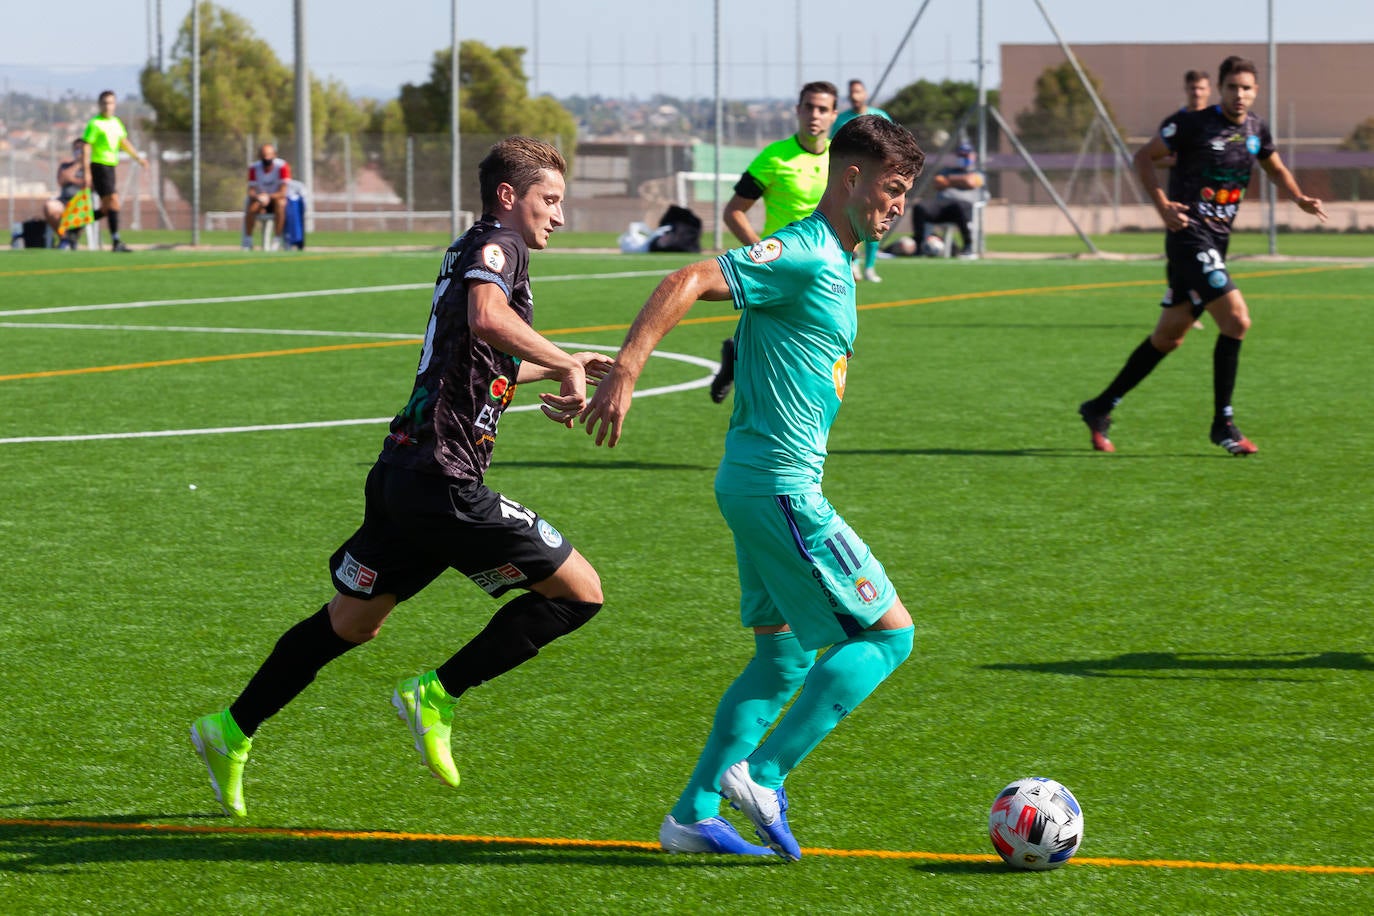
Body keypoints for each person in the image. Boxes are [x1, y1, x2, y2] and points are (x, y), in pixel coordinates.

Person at [190, 137, 612, 818]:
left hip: (404, 475)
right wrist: (561, 358)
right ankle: (436, 694)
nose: (559, 216)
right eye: (551, 199)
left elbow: (476, 356)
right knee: (580, 593)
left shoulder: (478, 248)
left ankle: (229, 730)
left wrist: (557, 366)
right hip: (444, 480)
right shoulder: (499, 246)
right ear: (510, 195)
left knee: (352, 622)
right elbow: (486, 316)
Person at [582, 116, 924, 860]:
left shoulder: (836, 256)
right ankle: (764, 775)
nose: (899, 206)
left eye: (908, 195)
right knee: (891, 635)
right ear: (853, 177)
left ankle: (693, 815)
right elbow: (689, 276)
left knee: (782, 660)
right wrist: (629, 369)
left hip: (753, 483)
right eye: (892, 190)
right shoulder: (803, 250)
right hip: (781, 489)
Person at [1077, 56, 1327, 456]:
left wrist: (1298, 196)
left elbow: (1274, 167)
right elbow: (1143, 157)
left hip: (1216, 242)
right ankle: (1223, 424)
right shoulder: (1192, 124)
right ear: (1221, 89)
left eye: (1246, 88)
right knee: (1237, 320)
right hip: (1188, 237)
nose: (1239, 94)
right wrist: (1161, 205)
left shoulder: (1256, 128)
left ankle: (1099, 406)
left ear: (1255, 91)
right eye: (1232, 87)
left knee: (1168, 337)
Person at [709, 81, 840, 405]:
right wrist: (762, 254)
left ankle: (736, 353)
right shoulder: (774, 156)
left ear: (834, 115)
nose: (815, 115)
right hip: (780, 269)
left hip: (827, 270)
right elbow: (734, 211)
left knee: (823, 353)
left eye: (823, 109)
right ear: (797, 110)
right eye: (809, 107)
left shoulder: (841, 160)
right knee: (783, 366)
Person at [831, 79, 893, 283]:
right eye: (851, 93)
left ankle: (870, 267)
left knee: (877, 219)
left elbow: (893, 148)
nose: (855, 96)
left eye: (858, 91)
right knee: (852, 219)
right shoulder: (841, 120)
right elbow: (832, 148)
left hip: (876, 180)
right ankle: (853, 261)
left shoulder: (880, 117)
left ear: (865, 93)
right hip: (852, 180)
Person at [888, 141, 985, 258]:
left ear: (973, 156)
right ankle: (919, 245)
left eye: (965, 155)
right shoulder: (947, 170)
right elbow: (938, 182)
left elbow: (971, 182)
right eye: (960, 155)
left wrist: (949, 181)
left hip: (964, 210)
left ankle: (968, 246)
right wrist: (960, 180)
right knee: (920, 207)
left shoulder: (979, 173)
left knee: (959, 206)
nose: (962, 158)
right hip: (943, 207)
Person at [80, 90, 147, 252]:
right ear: (100, 105)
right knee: (114, 201)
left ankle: (75, 225)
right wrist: (87, 170)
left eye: (110, 103)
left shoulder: (116, 123)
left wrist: (137, 158)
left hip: (111, 167)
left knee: (105, 209)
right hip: (99, 166)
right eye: (104, 103)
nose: (107, 106)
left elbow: (123, 142)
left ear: (114, 105)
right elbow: (86, 147)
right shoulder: (95, 124)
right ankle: (116, 241)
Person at [243, 143, 292, 250]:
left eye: (269, 155)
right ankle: (248, 240)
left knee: (281, 204)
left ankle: (277, 239)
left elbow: (283, 192)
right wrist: (259, 198)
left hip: (275, 200)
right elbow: (251, 191)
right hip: (260, 201)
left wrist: (268, 197)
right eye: (264, 155)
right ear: (259, 156)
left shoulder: (282, 166)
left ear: (274, 155)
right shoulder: (254, 168)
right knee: (252, 207)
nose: (266, 158)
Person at [43, 139, 85, 250]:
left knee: (81, 211)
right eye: (76, 148)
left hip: (82, 203)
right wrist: (77, 164)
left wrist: (72, 179)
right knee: (50, 207)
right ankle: (65, 238)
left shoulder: (91, 168)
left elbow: (89, 184)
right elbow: (62, 180)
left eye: (81, 148)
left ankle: (73, 238)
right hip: (64, 201)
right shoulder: (66, 165)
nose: (78, 151)